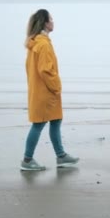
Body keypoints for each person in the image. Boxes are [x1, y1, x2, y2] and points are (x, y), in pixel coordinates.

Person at [21, 9, 79, 171]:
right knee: (38, 125)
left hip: (39, 91)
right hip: (46, 92)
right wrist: (56, 87)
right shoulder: (43, 44)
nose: (53, 22)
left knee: (55, 121)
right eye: (51, 19)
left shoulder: (35, 43)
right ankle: (27, 160)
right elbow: (46, 71)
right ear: (45, 23)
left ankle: (61, 156)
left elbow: (31, 70)